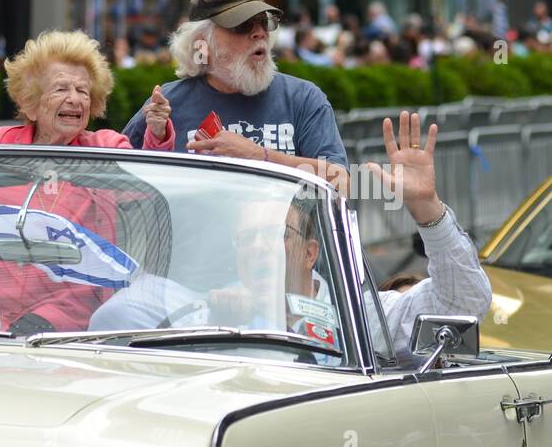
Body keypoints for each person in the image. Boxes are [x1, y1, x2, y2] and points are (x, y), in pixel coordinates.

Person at [92, 112, 492, 358]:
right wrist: (219, 322)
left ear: (309, 252)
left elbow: (465, 305)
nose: (259, 247)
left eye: (275, 234)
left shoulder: (358, 315)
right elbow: (114, 318)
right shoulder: (208, 309)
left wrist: (426, 208)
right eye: (247, 239)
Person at [0, 29, 175, 335]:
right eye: (61, 89)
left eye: (83, 91)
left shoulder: (104, 148)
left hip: (67, 307)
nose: (75, 99)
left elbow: (147, 184)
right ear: (31, 102)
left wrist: (157, 135)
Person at [122, 0, 349, 194]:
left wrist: (259, 156)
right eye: (242, 25)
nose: (259, 33)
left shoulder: (303, 98)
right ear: (202, 44)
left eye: (264, 22)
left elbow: (342, 184)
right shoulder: (167, 105)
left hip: (281, 235)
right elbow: (115, 184)